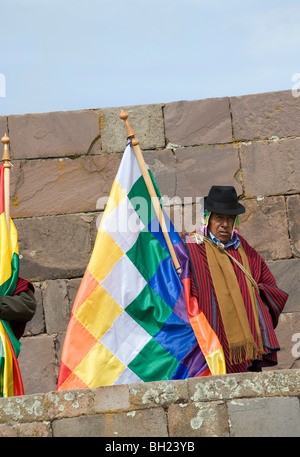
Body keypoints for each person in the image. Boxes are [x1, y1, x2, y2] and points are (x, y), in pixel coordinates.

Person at [183, 185, 288, 373]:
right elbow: (180, 284)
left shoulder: (244, 249)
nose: (225, 224)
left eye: (230, 219)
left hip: (247, 348)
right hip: (208, 340)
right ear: (207, 218)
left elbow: (268, 284)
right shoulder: (190, 245)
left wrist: (252, 301)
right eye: (219, 218)